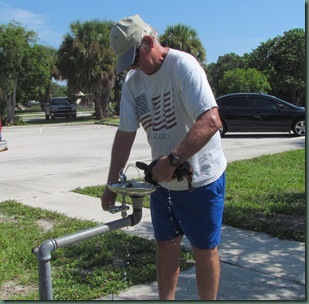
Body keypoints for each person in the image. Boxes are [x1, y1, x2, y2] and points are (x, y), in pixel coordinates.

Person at [101, 14, 227, 300]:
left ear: (148, 42)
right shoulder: (134, 84)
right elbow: (125, 134)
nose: (132, 68)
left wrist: (172, 160)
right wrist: (111, 183)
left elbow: (211, 120)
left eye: (134, 59)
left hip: (201, 180)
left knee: (204, 250)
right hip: (162, 182)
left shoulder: (182, 66)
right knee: (166, 246)